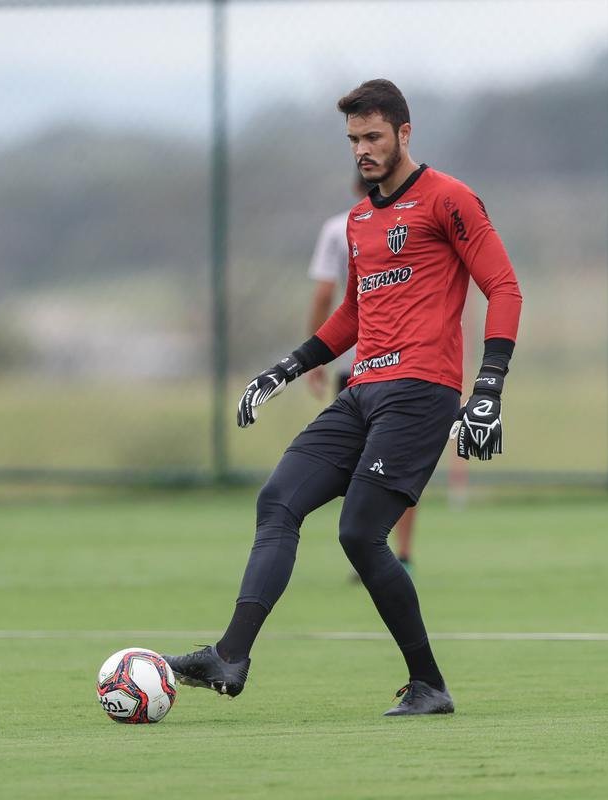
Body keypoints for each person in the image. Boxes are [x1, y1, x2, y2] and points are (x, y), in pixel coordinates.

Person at [166, 79, 522, 716]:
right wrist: (287, 367)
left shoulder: (450, 199)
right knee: (278, 500)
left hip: (421, 393)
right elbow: (354, 315)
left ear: (404, 134)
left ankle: (429, 685)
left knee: (359, 532)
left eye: (373, 136)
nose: (362, 149)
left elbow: (504, 288)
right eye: (354, 139)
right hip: (361, 392)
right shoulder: (358, 221)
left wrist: (488, 388)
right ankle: (231, 655)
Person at [306, 174, 419, 575]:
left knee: (359, 462)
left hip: (354, 363)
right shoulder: (413, 220)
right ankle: (401, 554)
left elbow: (325, 294)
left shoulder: (339, 227)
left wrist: (315, 356)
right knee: (402, 461)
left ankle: (368, 549)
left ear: (356, 187)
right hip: (407, 361)